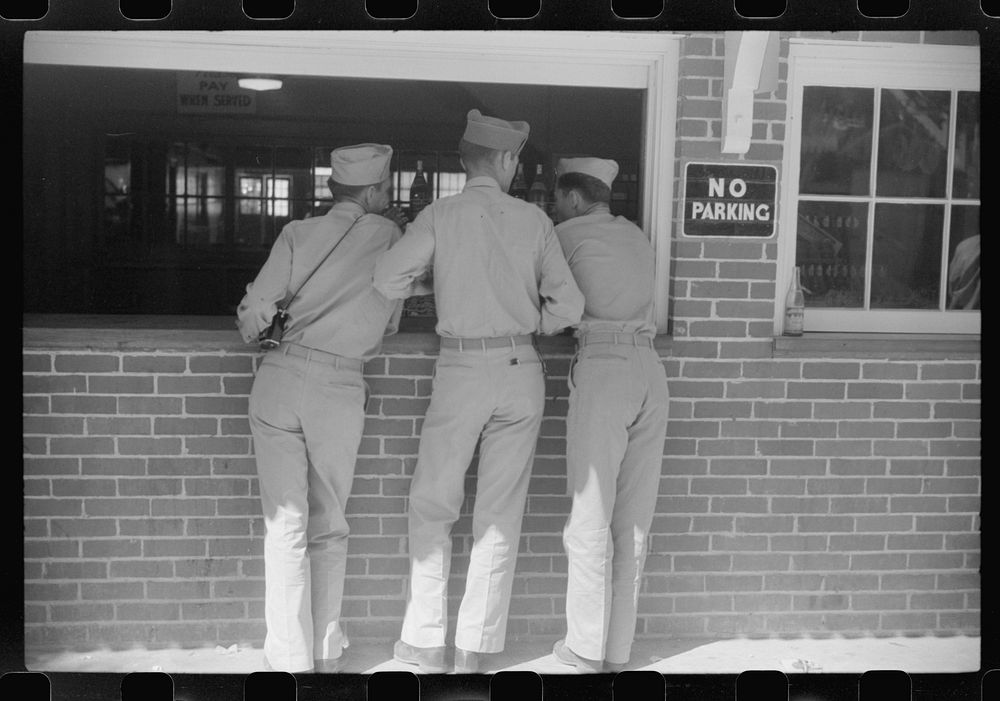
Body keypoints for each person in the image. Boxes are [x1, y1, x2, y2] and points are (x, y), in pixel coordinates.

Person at [373, 109, 585, 673]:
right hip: (519, 370)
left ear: (467, 161)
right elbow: (569, 307)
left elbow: (386, 279)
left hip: (461, 370)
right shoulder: (534, 221)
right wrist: (530, 324)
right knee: (499, 512)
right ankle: (477, 647)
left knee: (434, 503)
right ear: (507, 160)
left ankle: (422, 640)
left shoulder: (440, 215)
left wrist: (438, 280)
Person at [237, 143, 411, 674]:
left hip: (280, 379)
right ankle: (325, 646)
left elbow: (252, 313)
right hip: (339, 384)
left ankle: (289, 655)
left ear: (335, 189)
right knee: (329, 521)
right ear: (377, 190)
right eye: (387, 190)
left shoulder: (297, 233)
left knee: (283, 522)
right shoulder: (393, 239)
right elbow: (389, 324)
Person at [548, 157, 670, 673]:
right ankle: (617, 650)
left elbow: (558, 310)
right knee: (633, 518)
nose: (555, 209)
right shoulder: (638, 236)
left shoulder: (565, 234)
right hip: (650, 371)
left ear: (573, 198)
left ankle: (584, 649)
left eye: (557, 200)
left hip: (605, 367)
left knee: (590, 512)